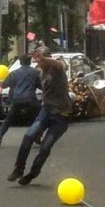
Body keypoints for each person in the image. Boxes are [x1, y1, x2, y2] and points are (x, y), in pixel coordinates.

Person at [7, 46, 72, 186]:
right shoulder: (40, 73)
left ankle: (33, 173)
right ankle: (19, 169)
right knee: (28, 136)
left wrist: (44, 58)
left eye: (41, 59)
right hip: (46, 111)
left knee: (45, 147)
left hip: (61, 115)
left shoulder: (57, 69)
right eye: (37, 60)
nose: (38, 63)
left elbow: (59, 64)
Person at [0, 55, 41, 148]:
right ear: (30, 62)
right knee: (39, 118)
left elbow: (4, 85)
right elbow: (41, 86)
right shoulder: (36, 73)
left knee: (8, 120)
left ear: (20, 62)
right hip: (31, 99)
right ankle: (37, 137)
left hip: (17, 99)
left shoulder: (14, 73)